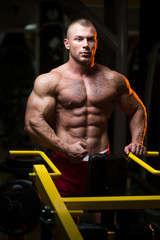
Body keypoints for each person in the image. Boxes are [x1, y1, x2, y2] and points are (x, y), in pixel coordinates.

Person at [25, 18, 147, 199]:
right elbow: (32, 123)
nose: (85, 45)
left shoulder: (114, 80)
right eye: (79, 39)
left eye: (90, 39)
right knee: (67, 223)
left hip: (103, 162)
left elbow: (137, 109)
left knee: (106, 224)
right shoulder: (50, 80)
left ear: (96, 43)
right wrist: (65, 147)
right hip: (66, 163)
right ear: (67, 43)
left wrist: (137, 141)